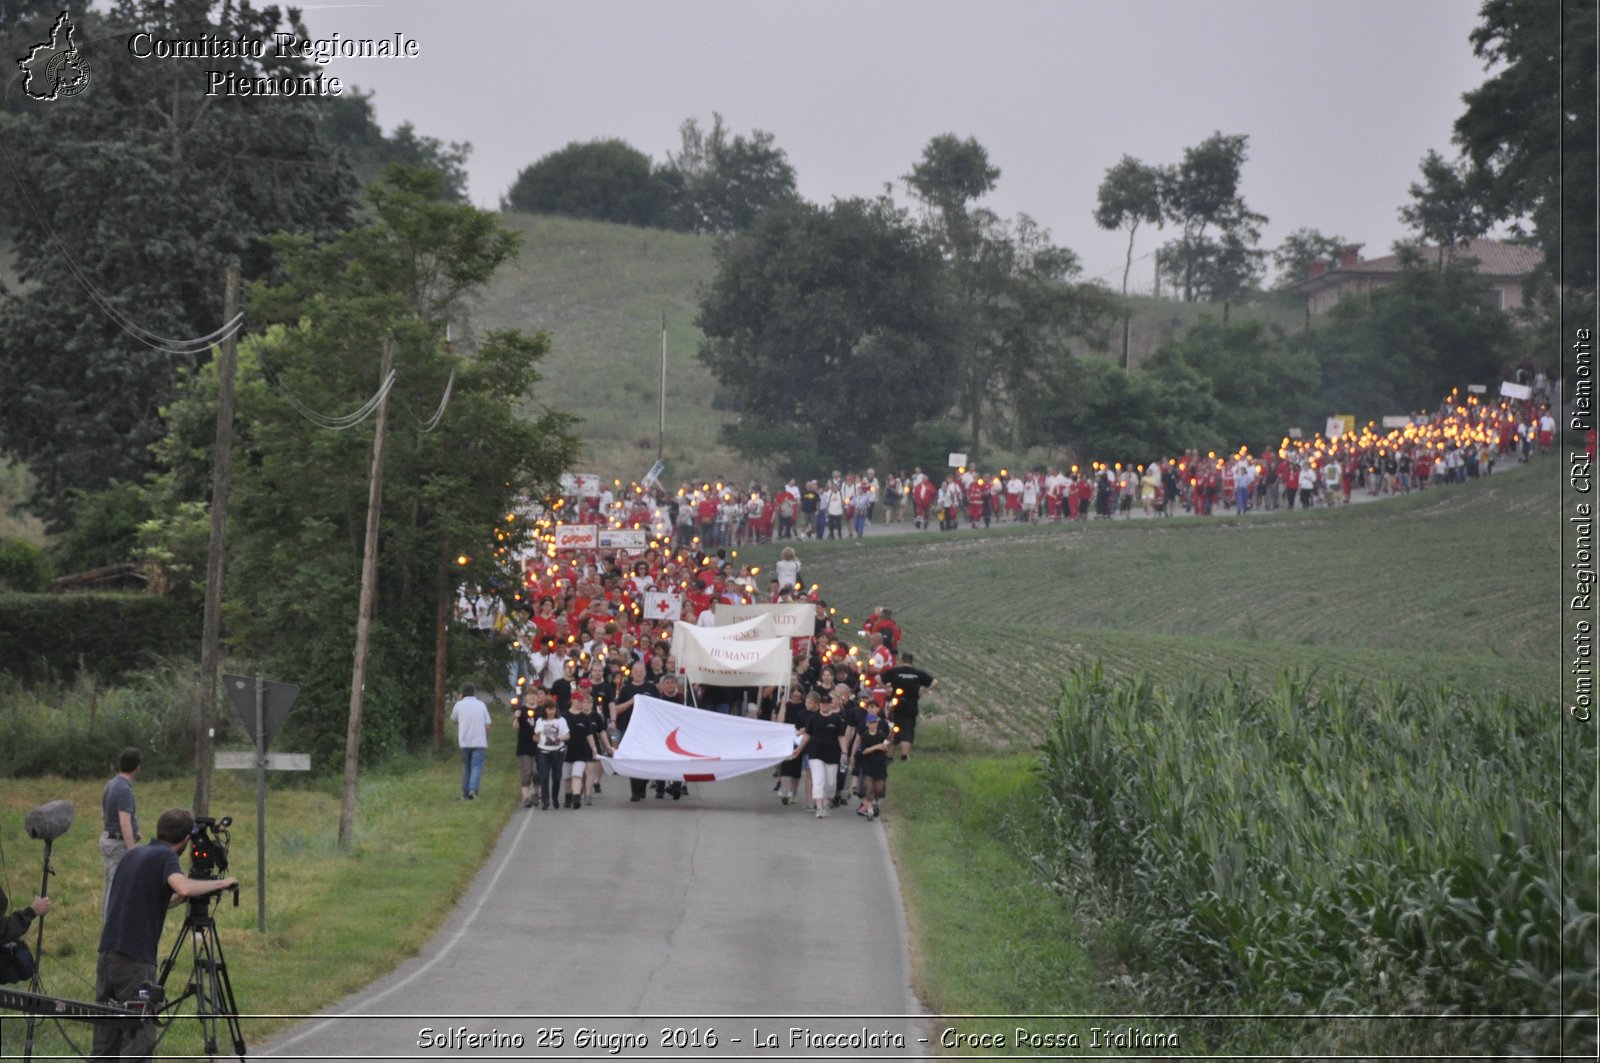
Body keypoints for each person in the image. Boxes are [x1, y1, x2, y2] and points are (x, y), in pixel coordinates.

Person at [92, 808, 238, 1061]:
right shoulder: (164, 856)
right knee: (139, 1039)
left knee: (106, 1040)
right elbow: (182, 884)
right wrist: (221, 883)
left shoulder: (133, 854)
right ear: (185, 840)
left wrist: (177, 900)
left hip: (108, 956)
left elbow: (142, 899)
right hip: (135, 961)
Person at [100, 747, 141, 920]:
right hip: (118, 845)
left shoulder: (111, 784)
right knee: (116, 888)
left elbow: (104, 814)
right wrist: (132, 850)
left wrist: (135, 831)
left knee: (111, 884)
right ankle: (110, 929)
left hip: (108, 839)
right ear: (137, 767)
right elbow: (124, 822)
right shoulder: (124, 789)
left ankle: (108, 925)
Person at [881, 653, 936, 760]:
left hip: (896, 707)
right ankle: (904, 756)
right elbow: (934, 682)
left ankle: (888, 757)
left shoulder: (895, 672)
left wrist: (886, 688)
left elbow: (878, 678)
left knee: (893, 730)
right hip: (911, 706)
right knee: (907, 731)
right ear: (911, 661)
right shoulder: (918, 673)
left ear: (902, 661)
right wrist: (925, 691)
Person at [449, 683, 491, 801]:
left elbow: (453, 719)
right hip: (479, 740)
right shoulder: (481, 705)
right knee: (476, 766)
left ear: (462, 693)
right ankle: (473, 790)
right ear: (474, 692)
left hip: (465, 741)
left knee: (467, 767)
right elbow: (488, 724)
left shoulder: (459, 705)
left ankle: (465, 792)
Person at [533, 700, 570, 810]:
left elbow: (567, 735)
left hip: (557, 752)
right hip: (543, 751)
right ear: (545, 710)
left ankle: (555, 798)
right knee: (544, 776)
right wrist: (537, 736)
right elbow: (535, 737)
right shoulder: (540, 721)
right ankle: (545, 800)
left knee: (557, 777)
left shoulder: (561, 720)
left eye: (553, 709)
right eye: (549, 709)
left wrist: (560, 738)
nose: (551, 712)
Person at [854, 713, 892, 819]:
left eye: (875, 722)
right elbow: (864, 751)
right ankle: (869, 810)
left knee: (879, 788)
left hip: (879, 765)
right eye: (871, 722)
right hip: (868, 765)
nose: (873, 724)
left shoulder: (881, 735)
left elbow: (885, 747)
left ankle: (874, 802)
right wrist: (876, 747)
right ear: (867, 724)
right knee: (869, 787)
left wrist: (885, 746)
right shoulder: (865, 736)